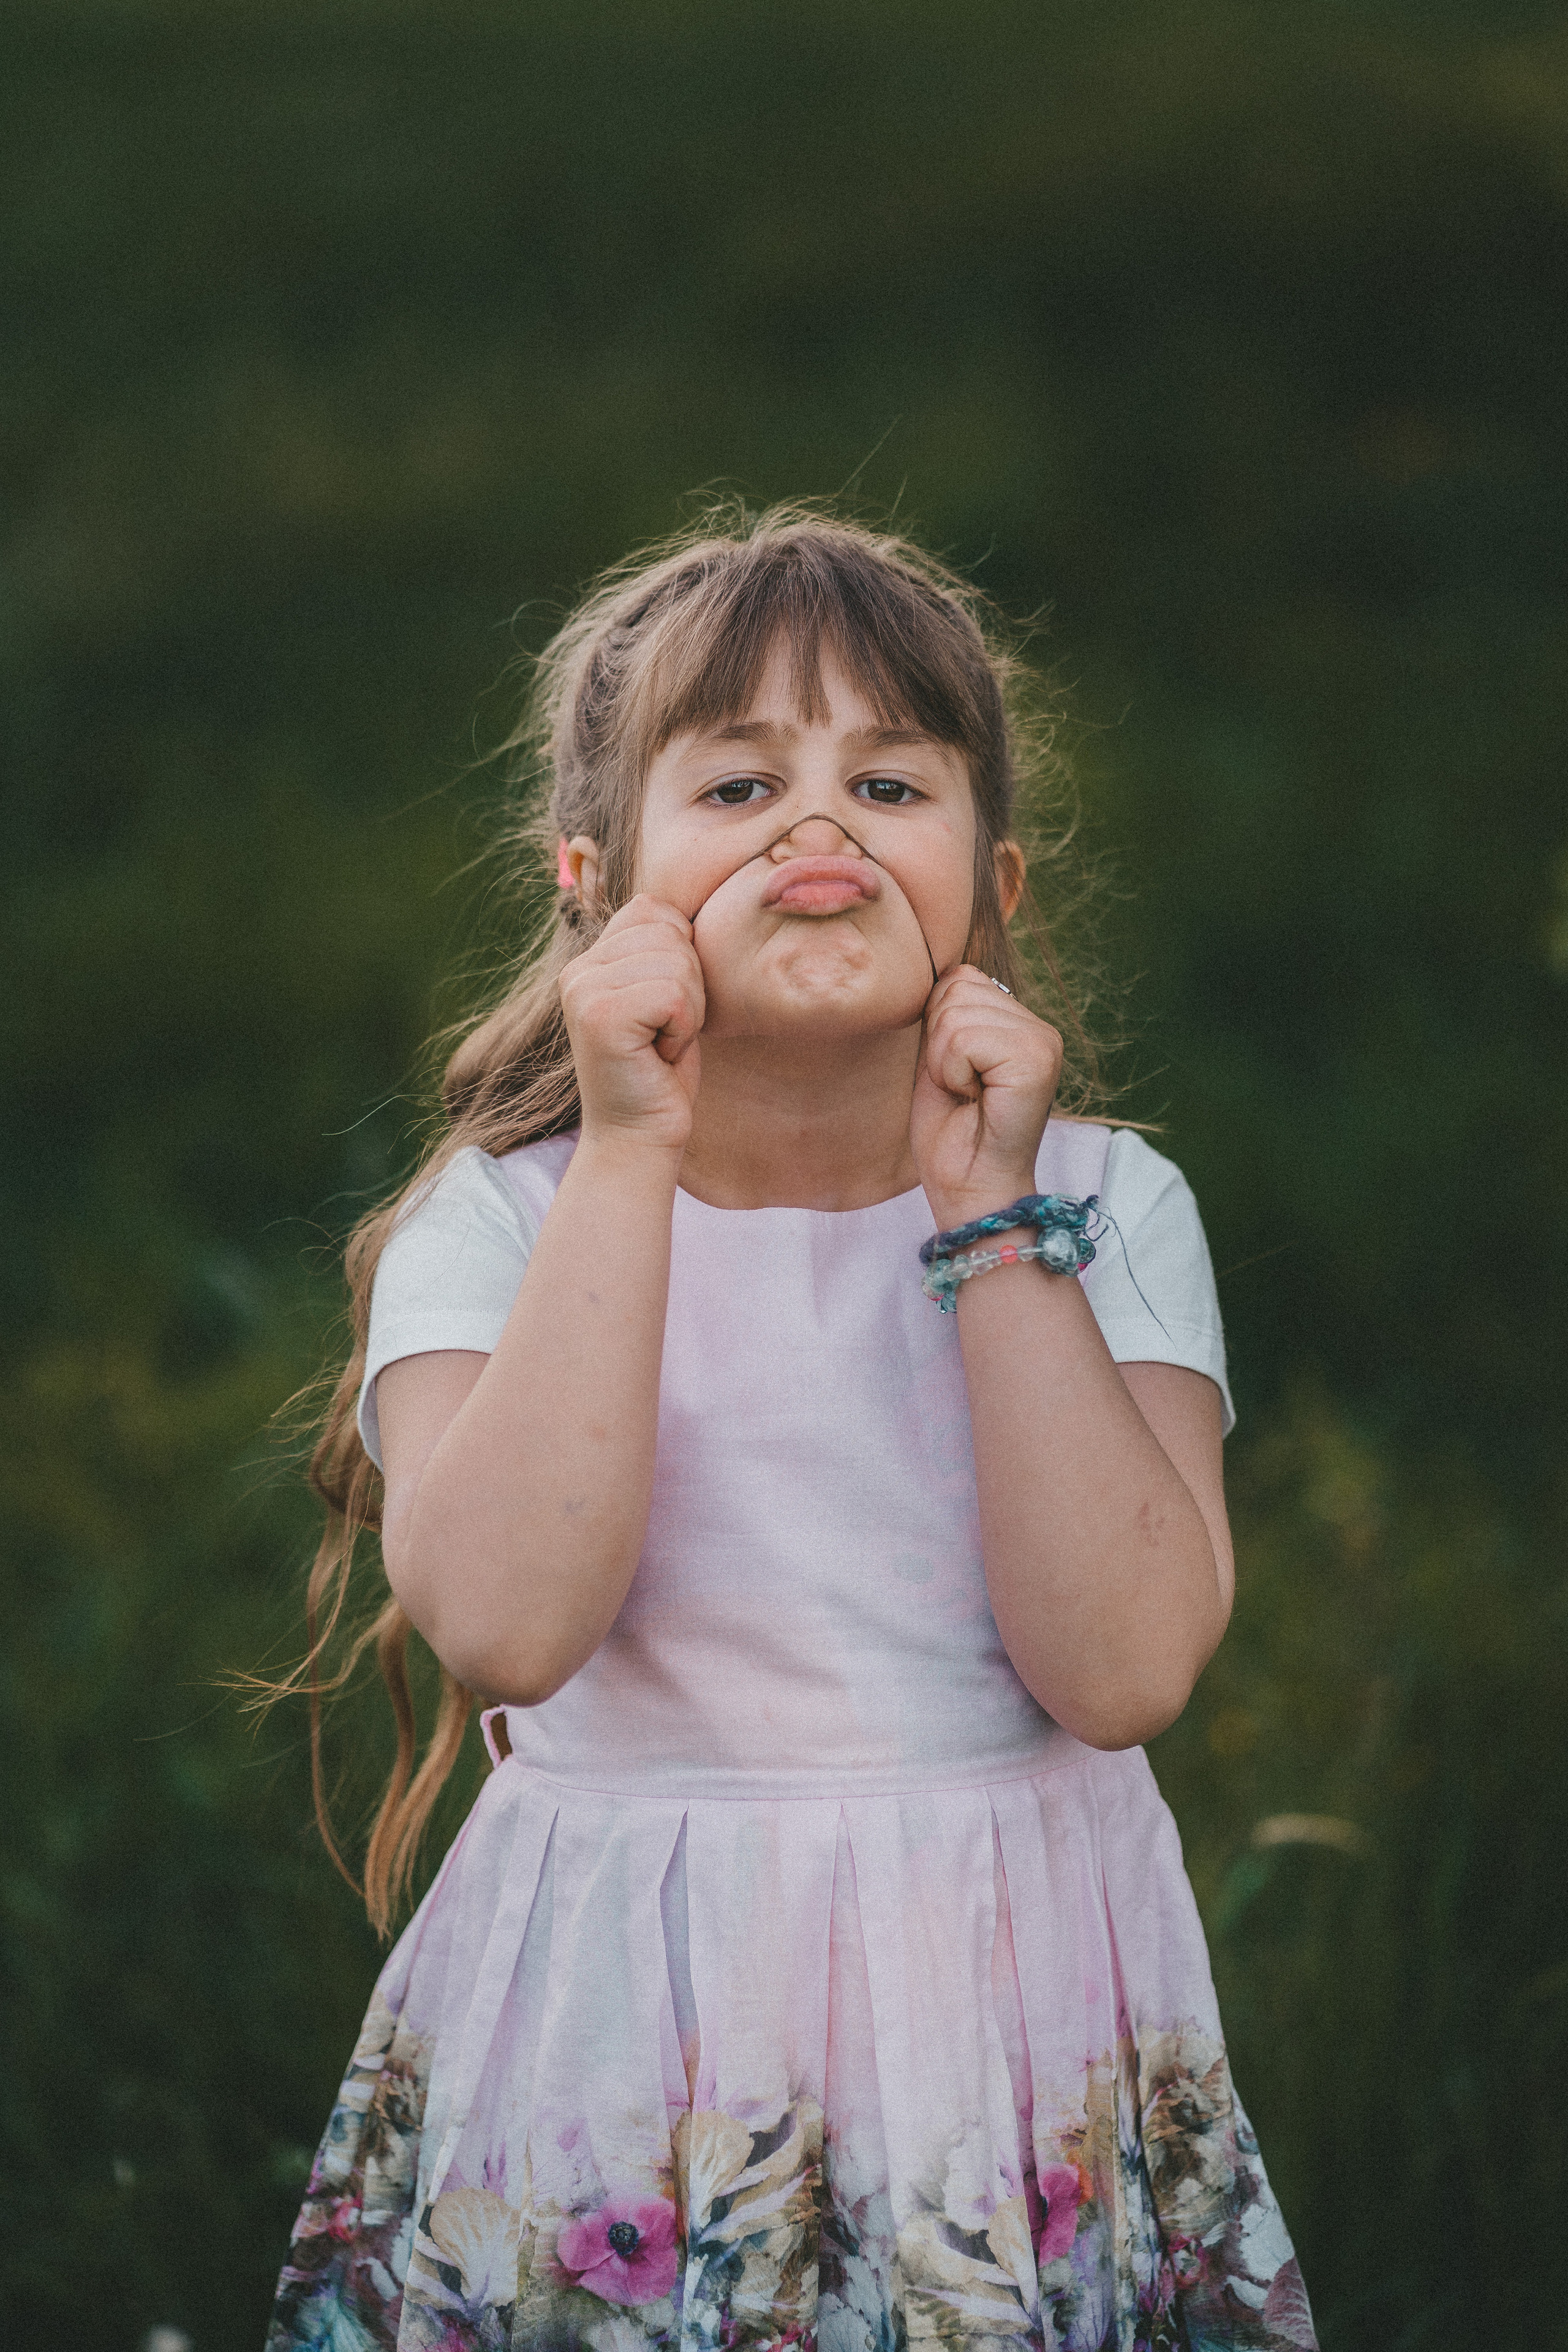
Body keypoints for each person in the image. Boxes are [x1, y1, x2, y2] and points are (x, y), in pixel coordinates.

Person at [265, 507, 1315, 2352]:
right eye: (740, 785)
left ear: (996, 886)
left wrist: (988, 1220)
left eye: (889, 785)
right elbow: (507, 1625)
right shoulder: (504, 1225)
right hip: (629, 2036)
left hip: (1005, 2016)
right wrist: (632, 1154)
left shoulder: (1096, 1207)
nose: (816, 829)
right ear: (595, 883)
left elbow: (1126, 1668)